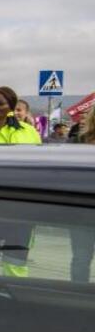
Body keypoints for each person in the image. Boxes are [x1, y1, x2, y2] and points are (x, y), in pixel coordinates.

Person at [70, 112, 95, 282]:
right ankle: (78, 295)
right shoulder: (79, 141)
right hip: (82, 212)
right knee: (81, 258)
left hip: (82, 211)